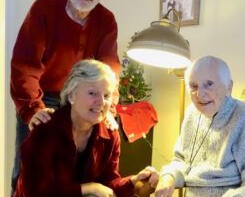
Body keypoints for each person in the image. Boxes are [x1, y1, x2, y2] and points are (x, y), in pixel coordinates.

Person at [10, 0, 120, 192]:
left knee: (76, 172)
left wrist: (108, 109)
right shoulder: (43, 9)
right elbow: (24, 65)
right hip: (43, 96)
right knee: (27, 174)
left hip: (84, 97)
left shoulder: (107, 20)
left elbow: (110, 68)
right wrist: (32, 110)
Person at [13, 59, 158, 197]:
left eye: (106, 95)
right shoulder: (45, 131)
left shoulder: (110, 135)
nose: (101, 102)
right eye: (92, 93)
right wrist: (87, 188)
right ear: (71, 96)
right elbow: (36, 192)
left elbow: (108, 184)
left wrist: (133, 181)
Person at [155, 56, 245, 197]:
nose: (200, 94)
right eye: (193, 86)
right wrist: (168, 177)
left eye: (209, 84)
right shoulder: (192, 113)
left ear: (229, 87)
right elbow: (181, 160)